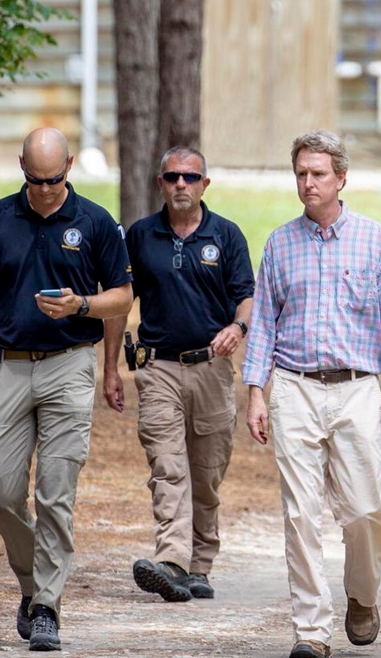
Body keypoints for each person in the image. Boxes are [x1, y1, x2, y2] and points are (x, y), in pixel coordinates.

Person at [0, 128, 133, 651]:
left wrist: (81, 306)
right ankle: (31, 585)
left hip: (70, 365)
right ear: (21, 168)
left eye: (55, 179)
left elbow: (121, 296)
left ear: (70, 165)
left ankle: (48, 605)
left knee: (56, 493)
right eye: (35, 179)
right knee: (0, 487)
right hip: (8, 366)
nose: (46, 189)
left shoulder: (96, 222)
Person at [242, 130, 381, 658]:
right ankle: (312, 632)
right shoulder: (278, 243)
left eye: (318, 174)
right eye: (301, 174)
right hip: (294, 387)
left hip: (358, 389)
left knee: (365, 511)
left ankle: (361, 595)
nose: (308, 183)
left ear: (341, 178)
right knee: (300, 513)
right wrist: (255, 392)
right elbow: (264, 326)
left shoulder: (373, 238)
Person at [101, 146, 255, 603]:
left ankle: (199, 566)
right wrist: (110, 368)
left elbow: (246, 296)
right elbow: (119, 302)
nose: (181, 185)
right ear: (160, 183)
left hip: (211, 368)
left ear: (205, 184)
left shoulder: (226, 235)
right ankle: (171, 560)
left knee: (205, 473)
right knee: (168, 468)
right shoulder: (141, 236)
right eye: (172, 177)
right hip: (158, 368)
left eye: (190, 177)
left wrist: (238, 327)